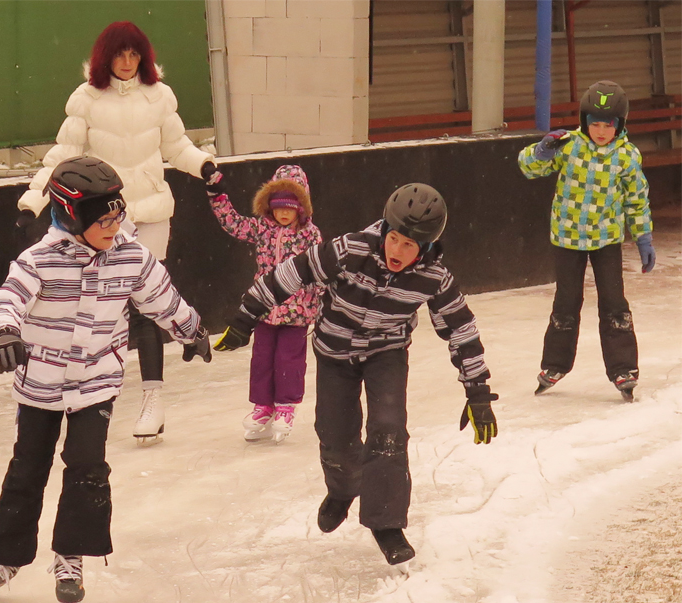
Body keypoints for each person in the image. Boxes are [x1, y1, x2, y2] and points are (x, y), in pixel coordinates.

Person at [0, 156, 211, 603]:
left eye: (117, 214)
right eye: (102, 218)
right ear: (71, 216)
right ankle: (5, 559)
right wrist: (2, 330)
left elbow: (163, 299)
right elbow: (7, 298)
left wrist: (191, 330)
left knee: (87, 468)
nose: (113, 224)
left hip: (97, 382)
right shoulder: (39, 261)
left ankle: (70, 558)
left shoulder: (130, 255)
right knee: (28, 469)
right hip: (40, 383)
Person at [214, 183, 498, 566]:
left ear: (427, 248)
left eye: (409, 247)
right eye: (394, 240)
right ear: (384, 231)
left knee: (388, 430)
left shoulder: (435, 278)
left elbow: (461, 329)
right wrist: (246, 318)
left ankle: (387, 524)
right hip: (334, 353)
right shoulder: (349, 250)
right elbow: (289, 274)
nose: (397, 252)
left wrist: (477, 392)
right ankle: (343, 489)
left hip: (386, 354)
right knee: (335, 434)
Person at [15, 20, 216, 445]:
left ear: (143, 57)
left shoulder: (159, 97)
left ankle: (152, 398)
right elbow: (64, 155)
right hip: (107, 217)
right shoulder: (86, 99)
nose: (127, 62)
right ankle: (86, 390)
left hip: (153, 211)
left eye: (134, 54)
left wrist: (204, 165)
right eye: (119, 54)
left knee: (147, 303)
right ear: (105, 58)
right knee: (109, 304)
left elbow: (177, 146)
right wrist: (34, 198)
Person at [518, 80, 654, 402]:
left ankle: (623, 368)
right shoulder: (569, 146)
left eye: (609, 124)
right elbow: (528, 168)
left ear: (620, 125)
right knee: (566, 303)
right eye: (595, 123)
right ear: (584, 122)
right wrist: (540, 150)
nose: (602, 130)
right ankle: (554, 364)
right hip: (567, 238)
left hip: (606, 239)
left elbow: (637, 199)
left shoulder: (626, 156)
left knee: (614, 303)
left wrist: (643, 235)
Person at [203, 164, 323, 442]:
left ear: (301, 208)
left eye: (290, 207)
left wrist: (318, 305)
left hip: (297, 312)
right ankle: (263, 406)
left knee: (289, 360)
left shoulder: (310, 234)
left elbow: (319, 270)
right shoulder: (262, 228)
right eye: (278, 206)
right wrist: (217, 195)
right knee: (262, 359)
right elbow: (232, 222)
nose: (283, 212)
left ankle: (285, 406)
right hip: (264, 310)